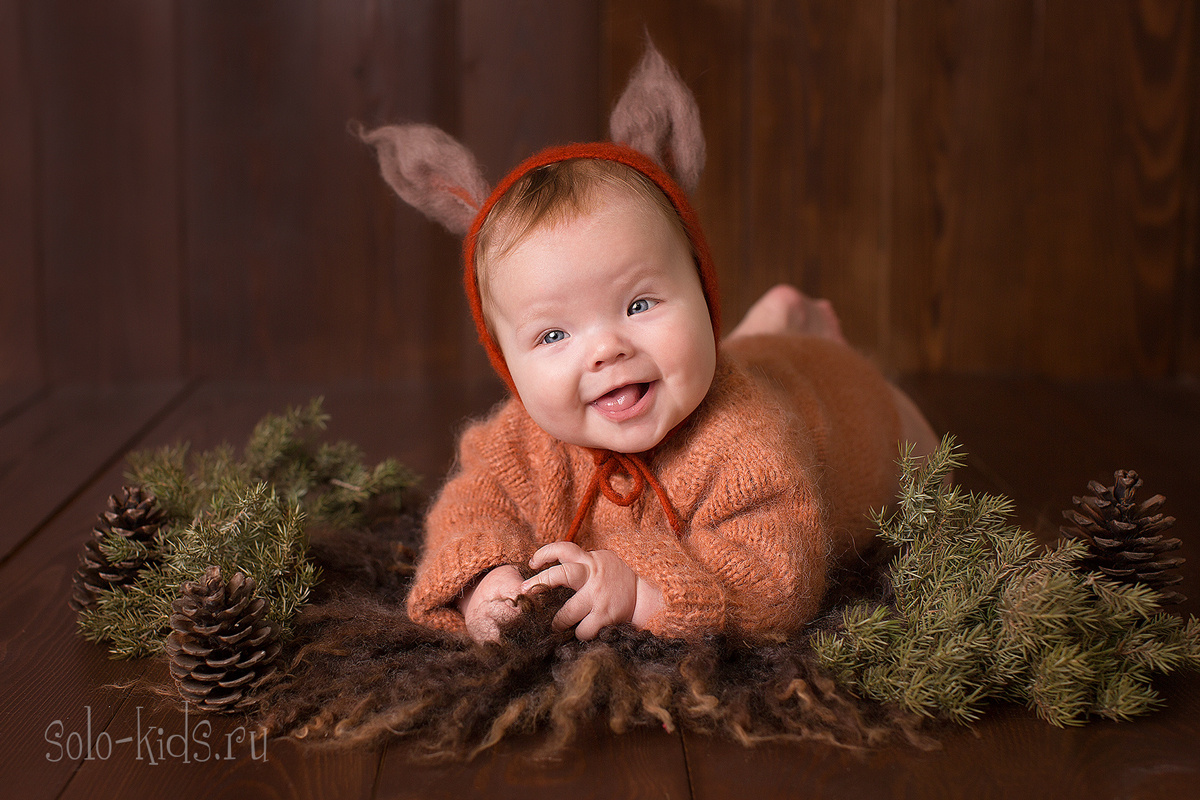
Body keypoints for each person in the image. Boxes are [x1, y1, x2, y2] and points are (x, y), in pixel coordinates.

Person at [358, 47, 940, 646]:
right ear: (508, 364)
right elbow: (472, 508)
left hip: (855, 405)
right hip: (737, 365)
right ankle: (769, 324)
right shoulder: (522, 441)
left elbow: (776, 583)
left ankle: (785, 331)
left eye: (639, 305)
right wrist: (485, 580)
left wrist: (640, 588)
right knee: (724, 357)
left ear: (706, 295)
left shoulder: (753, 440)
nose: (606, 349)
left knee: (930, 466)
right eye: (554, 335)